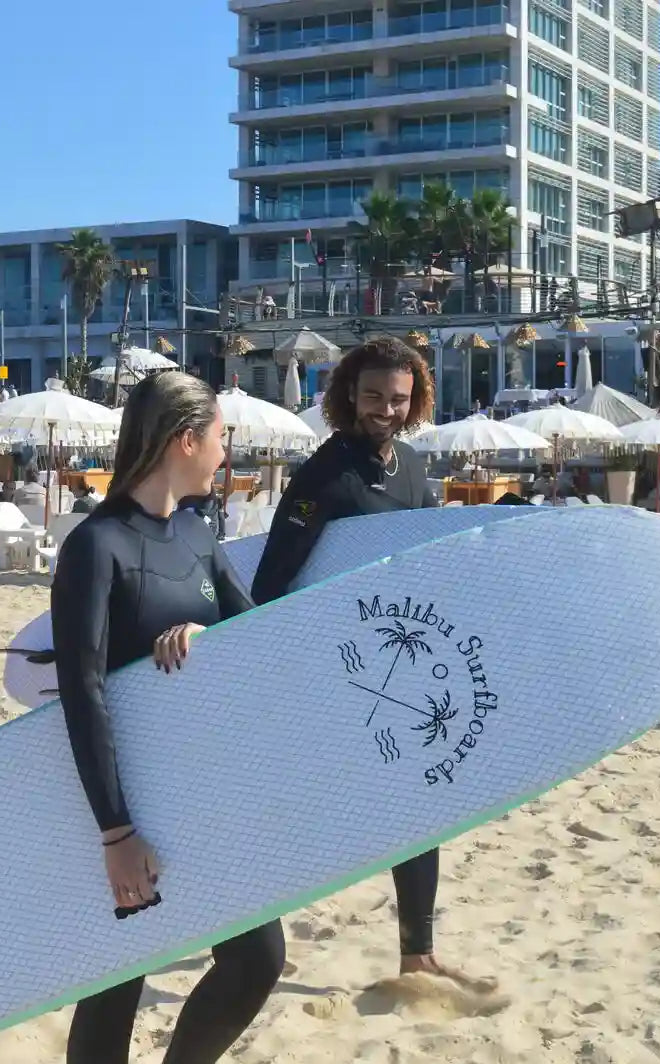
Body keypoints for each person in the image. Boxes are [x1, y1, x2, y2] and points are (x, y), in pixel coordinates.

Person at [52, 372, 284, 1064]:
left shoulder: (196, 536)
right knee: (118, 978)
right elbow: (82, 690)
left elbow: (264, 643)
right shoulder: (96, 547)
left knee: (257, 957)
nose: (223, 453)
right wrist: (116, 829)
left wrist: (207, 644)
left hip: (207, 796)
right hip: (129, 802)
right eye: (219, 438)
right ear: (186, 440)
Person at [251, 334, 492, 995]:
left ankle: (418, 953)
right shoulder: (325, 476)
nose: (386, 408)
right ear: (348, 396)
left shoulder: (412, 468)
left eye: (399, 398)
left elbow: (425, 567)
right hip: (334, 667)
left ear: (414, 401)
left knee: (422, 807)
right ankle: (241, 939)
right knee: (300, 807)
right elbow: (274, 578)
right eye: (373, 396)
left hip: (399, 664)